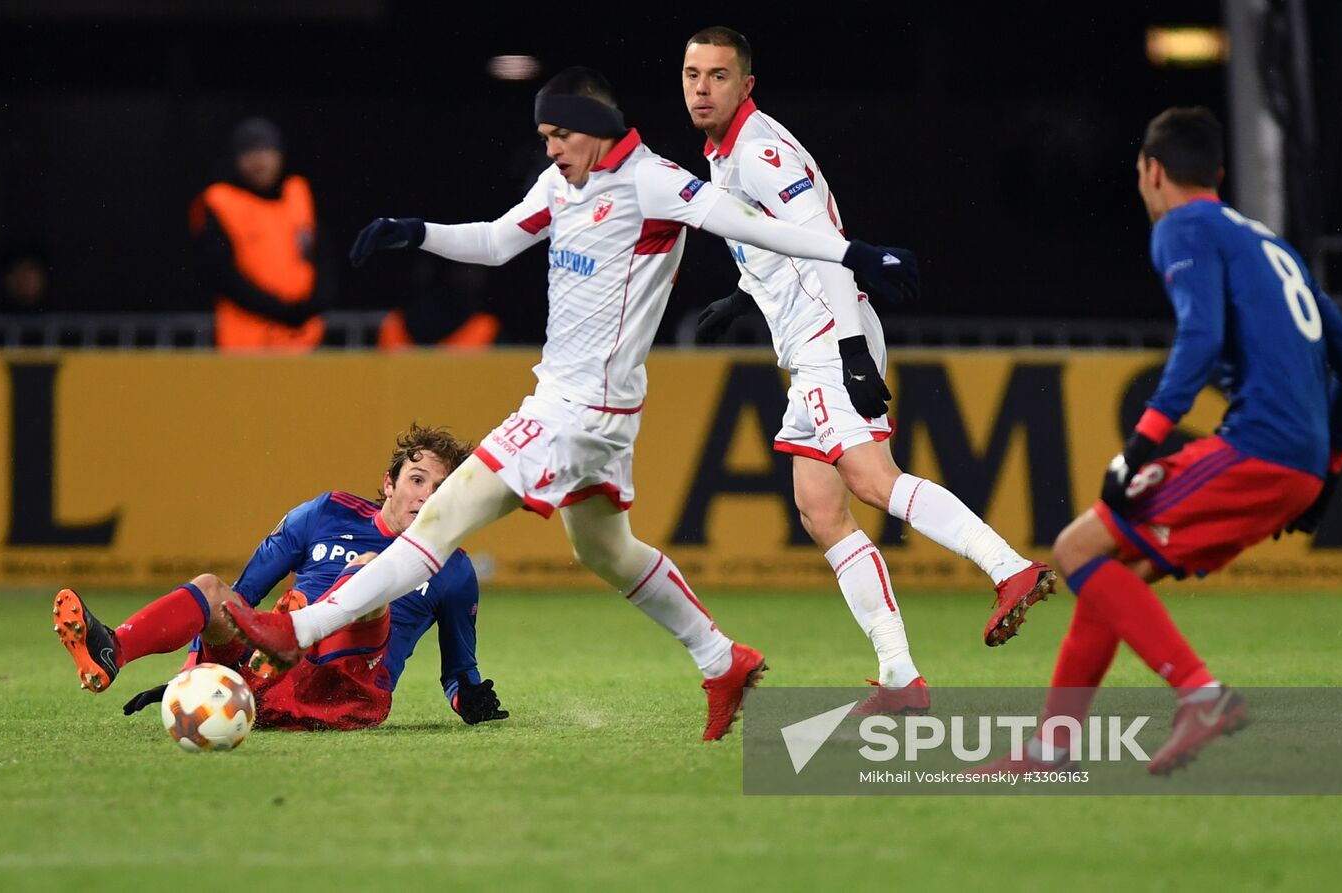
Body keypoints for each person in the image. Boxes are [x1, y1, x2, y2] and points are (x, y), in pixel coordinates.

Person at [225, 66, 920, 742]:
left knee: (439, 521)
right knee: (605, 548)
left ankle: (299, 629)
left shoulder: (652, 179)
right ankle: (721, 659)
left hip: (576, 411)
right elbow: (498, 242)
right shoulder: (561, 183)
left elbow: (753, 222)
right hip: (589, 412)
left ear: (593, 128)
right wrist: (418, 230)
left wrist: (853, 253)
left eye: (558, 133)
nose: (549, 148)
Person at [977, 107, 1342, 776]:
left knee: (1076, 548)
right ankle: (1052, 747)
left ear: (1154, 171)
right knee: (1113, 569)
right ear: (1217, 174)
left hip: (1258, 445)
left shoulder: (1182, 227)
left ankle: (1202, 695)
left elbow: (1201, 338)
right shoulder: (1270, 243)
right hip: (1297, 460)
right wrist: (1327, 473)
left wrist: (1141, 443)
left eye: (1140, 174)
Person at [682, 27, 1056, 713]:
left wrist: (852, 350)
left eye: (718, 75)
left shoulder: (762, 150)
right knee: (820, 510)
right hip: (809, 340)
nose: (702, 88)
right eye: (692, 74)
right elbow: (779, 242)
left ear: (746, 85)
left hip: (831, 330)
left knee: (871, 479)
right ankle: (899, 676)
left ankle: (1009, 566)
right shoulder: (722, 154)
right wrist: (745, 297)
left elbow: (826, 245)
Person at [52, 423, 507, 730]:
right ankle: (115, 648)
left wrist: (468, 700)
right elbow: (243, 597)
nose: (426, 497)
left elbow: (459, 672)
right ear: (389, 483)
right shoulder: (326, 511)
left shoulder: (453, 565)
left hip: (346, 694)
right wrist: (192, 677)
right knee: (213, 590)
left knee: (368, 572)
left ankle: (298, 627)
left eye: (441, 489)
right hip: (267, 684)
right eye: (417, 480)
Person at [189, 117, 328, 352]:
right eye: (250, 151)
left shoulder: (298, 194)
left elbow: (321, 255)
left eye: (267, 150)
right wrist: (279, 310)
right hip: (244, 344)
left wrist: (314, 304)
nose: (260, 160)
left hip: (303, 338)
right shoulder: (219, 201)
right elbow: (219, 273)